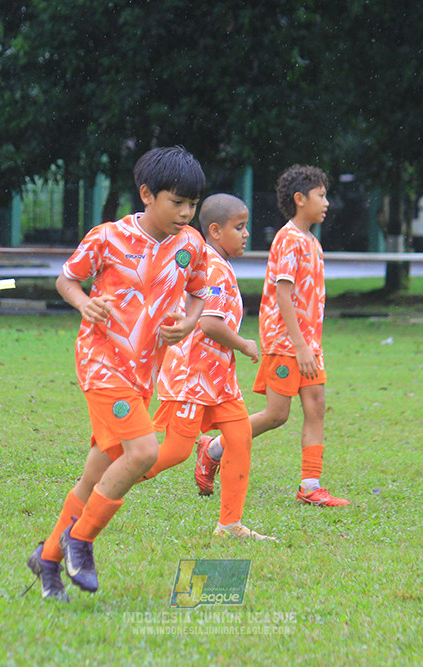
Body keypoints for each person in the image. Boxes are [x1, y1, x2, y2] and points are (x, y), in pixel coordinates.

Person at [26, 146, 208, 601]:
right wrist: (85, 302)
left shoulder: (191, 245)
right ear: (147, 194)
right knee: (144, 451)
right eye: (177, 202)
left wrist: (188, 321)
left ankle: (48, 558)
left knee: (95, 475)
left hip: (144, 371)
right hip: (102, 364)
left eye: (193, 204)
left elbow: (199, 293)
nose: (186, 213)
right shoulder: (107, 237)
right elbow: (66, 279)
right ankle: (80, 539)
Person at [197, 165, 349, 507]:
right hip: (286, 343)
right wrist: (299, 346)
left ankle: (310, 486)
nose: (327, 202)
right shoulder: (287, 239)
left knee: (316, 406)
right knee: (277, 414)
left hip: (308, 345)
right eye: (321, 195)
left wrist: (310, 346)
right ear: (300, 199)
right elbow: (283, 295)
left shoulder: (311, 241)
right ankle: (214, 447)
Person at [139, 193, 274, 541]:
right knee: (176, 451)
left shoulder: (218, 262)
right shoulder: (212, 267)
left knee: (241, 437)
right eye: (239, 227)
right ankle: (108, 477)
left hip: (219, 378)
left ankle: (229, 525)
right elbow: (211, 323)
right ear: (215, 230)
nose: (247, 234)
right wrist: (244, 344)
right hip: (193, 377)